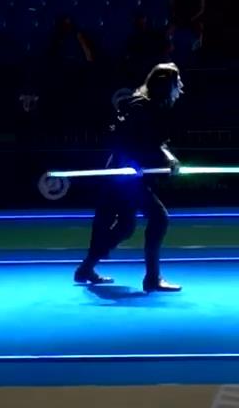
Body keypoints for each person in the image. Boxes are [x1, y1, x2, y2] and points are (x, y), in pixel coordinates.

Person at [74, 63, 185, 293]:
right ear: (165, 84)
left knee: (125, 225)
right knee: (158, 218)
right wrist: (134, 163)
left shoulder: (154, 106)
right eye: (177, 82)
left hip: (130, 176)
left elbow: (156, 143)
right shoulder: (140, 107)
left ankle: (86, 268)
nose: (180, 86)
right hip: (124, 176)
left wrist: (170, 158)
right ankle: (152, 278)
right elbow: (121, 140)